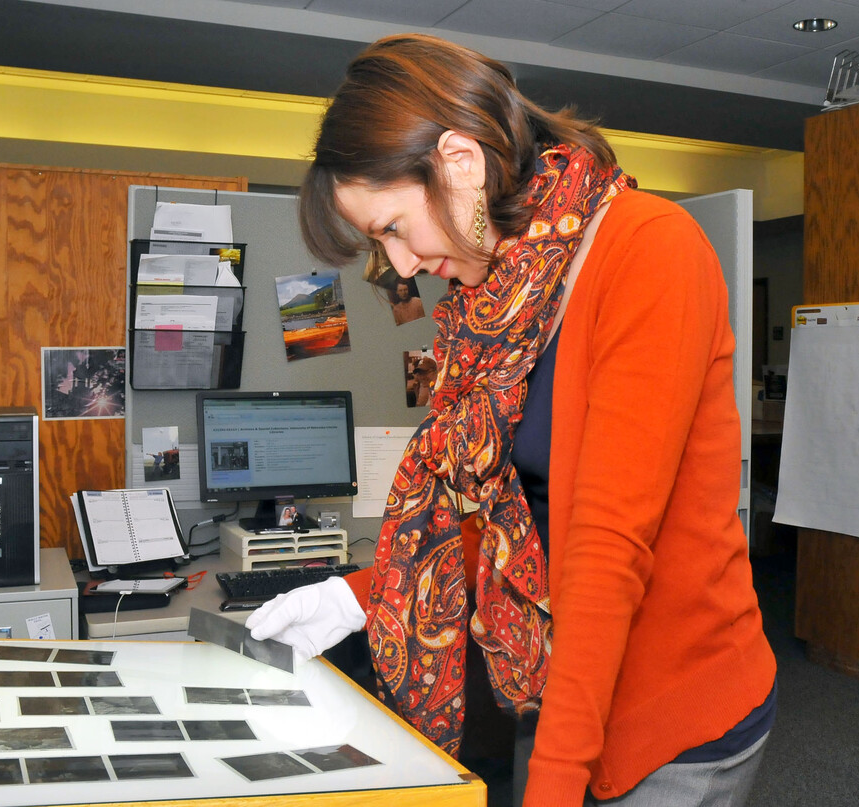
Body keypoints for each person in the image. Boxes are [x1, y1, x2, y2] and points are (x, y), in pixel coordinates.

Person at [245, 33, 776, 807]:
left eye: (394, 226)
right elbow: (495, 515)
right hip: (557, 681)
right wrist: (361, 593)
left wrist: (554, 786)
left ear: (460, 162)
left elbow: (604, 547)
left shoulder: (651, 250)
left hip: (673, 710)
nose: (397, 265)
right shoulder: (492, 304)